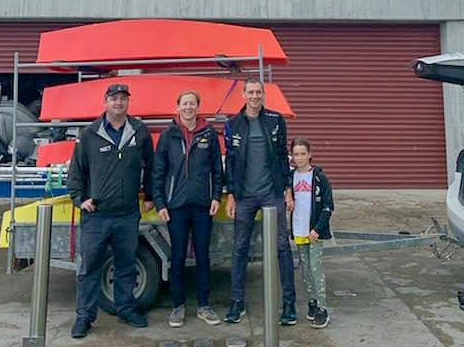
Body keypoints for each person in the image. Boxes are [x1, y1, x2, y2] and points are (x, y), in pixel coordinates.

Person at [68, 83, 155, 338]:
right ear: (105, 101)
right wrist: (79, 198)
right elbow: (76, 171)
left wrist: (149, 194)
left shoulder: (138, 131)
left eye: (123, 99)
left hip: (127, 214)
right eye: (114, 99)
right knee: (90, 267)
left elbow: (151, 165)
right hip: (96, 215)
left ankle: (127, 309)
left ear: (129, 102)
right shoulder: (89, 133)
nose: (118, 103)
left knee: (126, 264)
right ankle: (84, 316)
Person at [223, 77, 297, 325]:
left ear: (263, 95)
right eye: (251, 92)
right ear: (243, 95)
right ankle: (237, 302)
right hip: (245, 196)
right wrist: (231, 195)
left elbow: (282, 157)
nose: (255, 96)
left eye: (258, 92)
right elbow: (230, 163)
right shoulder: (232, 124)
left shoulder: (275, 120)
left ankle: (288, 305)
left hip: (272, 193)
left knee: (281, 247)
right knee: (240, 247)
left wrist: (287, 189)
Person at [153, 90, 224, 328]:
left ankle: (204, 305)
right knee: (177, 256)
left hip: (203, 205)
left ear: (198, 107)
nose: (188, 107)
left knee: (203, 256)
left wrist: (216, 197)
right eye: (184, 104)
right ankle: (177, 307)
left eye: (192, 104)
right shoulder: (168, 135)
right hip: (176, 206)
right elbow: (158, 172)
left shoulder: (209, 134)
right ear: (178, 107)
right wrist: (161, 202)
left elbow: (217, 168)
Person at [289, 136, 333, 329]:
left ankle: (323, 308)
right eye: (296, 154)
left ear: (310, 155)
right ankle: (312, 302)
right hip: (298, 229)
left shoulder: (319, 177)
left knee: (316, 268)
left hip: (314, 231)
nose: (299, 158)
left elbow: (328, 206)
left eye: (303, 154)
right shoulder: (290, 177)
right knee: (305, 269)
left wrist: (318, 228)